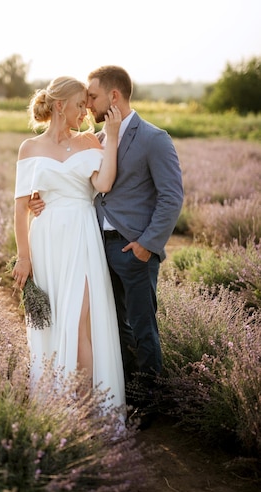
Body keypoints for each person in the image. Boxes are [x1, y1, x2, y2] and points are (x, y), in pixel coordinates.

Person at [31, 66, 184, 423]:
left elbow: (172, 197)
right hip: (93, 247)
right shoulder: (97, 138)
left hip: (133, 250)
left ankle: (151, 406)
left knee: (143, 327)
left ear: (114, 97)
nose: (89, 103)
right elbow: (82, 180)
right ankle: (124, 395)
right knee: (112, 329)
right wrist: (43, 198)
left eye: (94, 97)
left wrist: (147, 244)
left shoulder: (154, 138)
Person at [12, 76, 126, 414]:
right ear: (60, 106)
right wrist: (23, 257)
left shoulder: (90, 141)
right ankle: (56, 405)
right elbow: (20, 208)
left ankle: (85, 409)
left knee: (79, 323)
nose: (86, 111)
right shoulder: (29, 148)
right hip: (46, 240)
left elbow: (104, 183)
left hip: (82, 236)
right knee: (55, 321)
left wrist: (113, 137)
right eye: (79, 104)